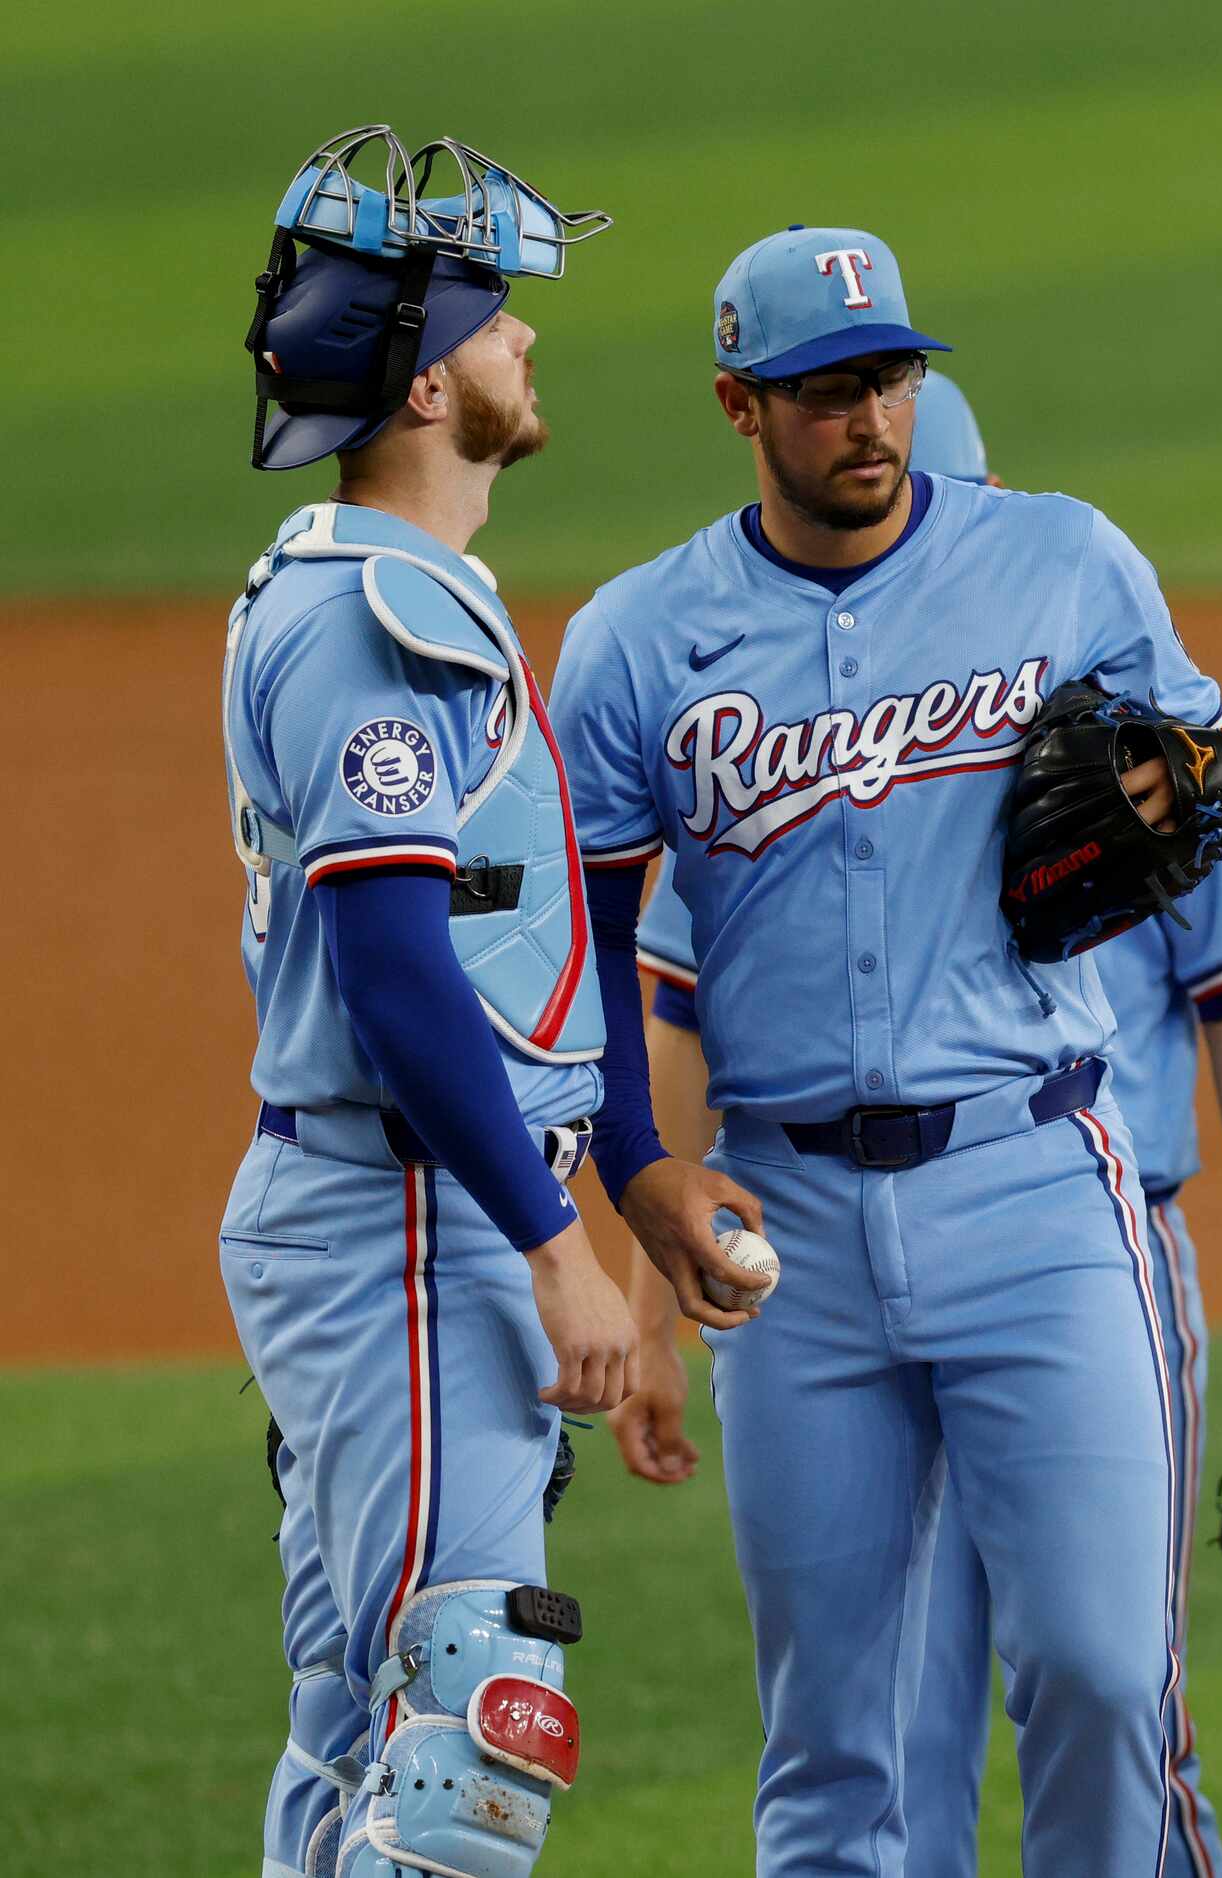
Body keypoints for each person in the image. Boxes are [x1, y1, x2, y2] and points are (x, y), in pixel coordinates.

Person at [549, 224, 1222, 1873]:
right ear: (741, 403)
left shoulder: (1067, 562)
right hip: (791, 1229)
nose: (868, 419)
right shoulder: (636, 639)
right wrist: (641, 1178)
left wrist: (1207, 785)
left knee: (1103, 1671)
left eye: (889, 379)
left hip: (1038, 1180)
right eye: (825, 392)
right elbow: (582, 950)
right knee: (839, 1745)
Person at [217, 124, 672, 1878]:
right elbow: (402, 972)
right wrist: (553, 1241)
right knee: (469, 1734)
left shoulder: (389, 593)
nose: (525, 345)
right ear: (422, 385)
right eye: (495, 320)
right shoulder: (368, 620)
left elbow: (497, 951)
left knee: (356, 1734)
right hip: (408, 1221)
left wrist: (619, 1174)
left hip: (407, 1206)